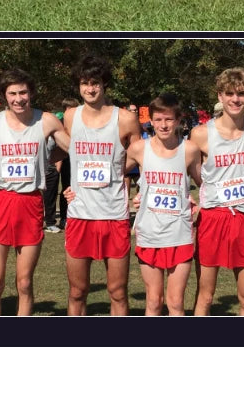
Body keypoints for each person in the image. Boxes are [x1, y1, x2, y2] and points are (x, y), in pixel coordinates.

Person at [0, 67, 70, 315]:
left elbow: (74, 147)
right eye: (12, 93)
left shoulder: (46, 119)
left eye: (23, 92)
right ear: (5, 95)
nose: (18, 98)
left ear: (31, 93)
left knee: (24, 282)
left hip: (30, 203)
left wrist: (48, 157)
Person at [61, 56, 139, 315]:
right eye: (84, 83)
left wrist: (117, 170)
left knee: (117, 292)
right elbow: (68, 154)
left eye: (95, 83)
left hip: (113, 214)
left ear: (105, 84)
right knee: (77, 291)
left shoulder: (126, 119)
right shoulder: (71, 117)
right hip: (80, 215)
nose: (90, 89)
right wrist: (67, 186)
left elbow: (140, 156)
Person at [191, 68, 244, 316]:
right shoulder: (201, 133)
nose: (236, 99)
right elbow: (184, 168)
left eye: (241, 93)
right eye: (230, 94)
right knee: (205, 296)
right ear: (220, 96)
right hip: (212, 218)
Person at [128, 92, 202, 316]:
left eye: (169, 119)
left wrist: (198, 203)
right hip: (149, 233)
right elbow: (113, 173)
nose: (163, 124)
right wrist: (76, 189)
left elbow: (206, 183)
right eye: (158, 119)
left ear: (178, 120)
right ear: (150, 120)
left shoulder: (189, 150)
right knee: (153, 301)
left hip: (179, 234)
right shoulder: (139, 148)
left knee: (176, 302)